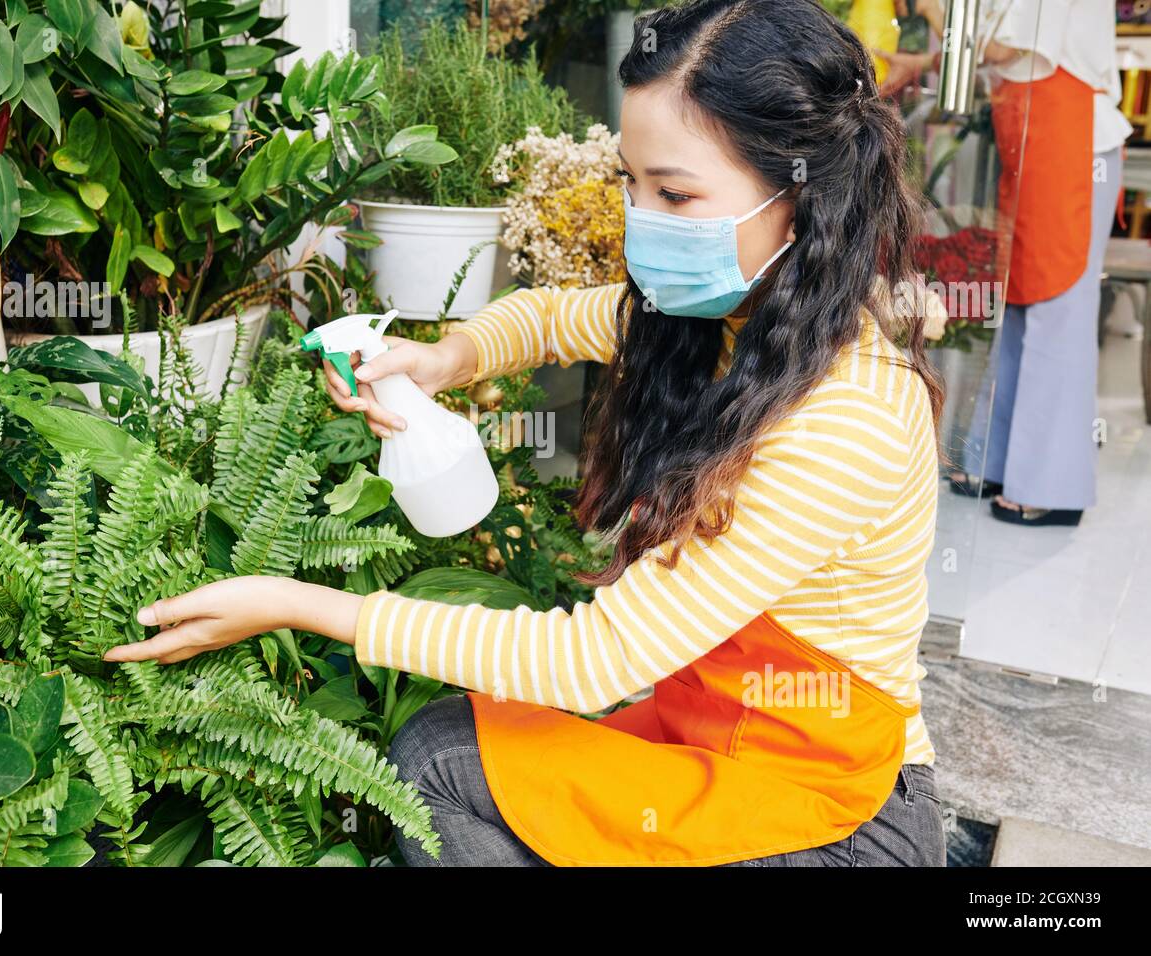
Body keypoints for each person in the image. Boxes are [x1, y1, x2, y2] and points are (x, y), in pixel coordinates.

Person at [105, 0, 947, 867]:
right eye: (632, 183)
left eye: (676, 194)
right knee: (447, 750)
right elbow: (551, 317)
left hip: (838, 816)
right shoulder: (733, 317)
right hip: (717, 738)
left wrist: (296, 603)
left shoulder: (847, 416)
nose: (640, 218)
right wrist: (446, 357)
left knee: (435, 768)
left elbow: (598, 658)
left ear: (800, 197)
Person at [881, 1, 1131, 527]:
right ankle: (997, 462)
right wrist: (923, 62)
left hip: (1072, 140)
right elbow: (999, 51)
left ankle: (1050, 485)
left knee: (1055, 306)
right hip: (1035, 133)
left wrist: (930, 8)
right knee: (1021, 300)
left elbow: (1006, 46)